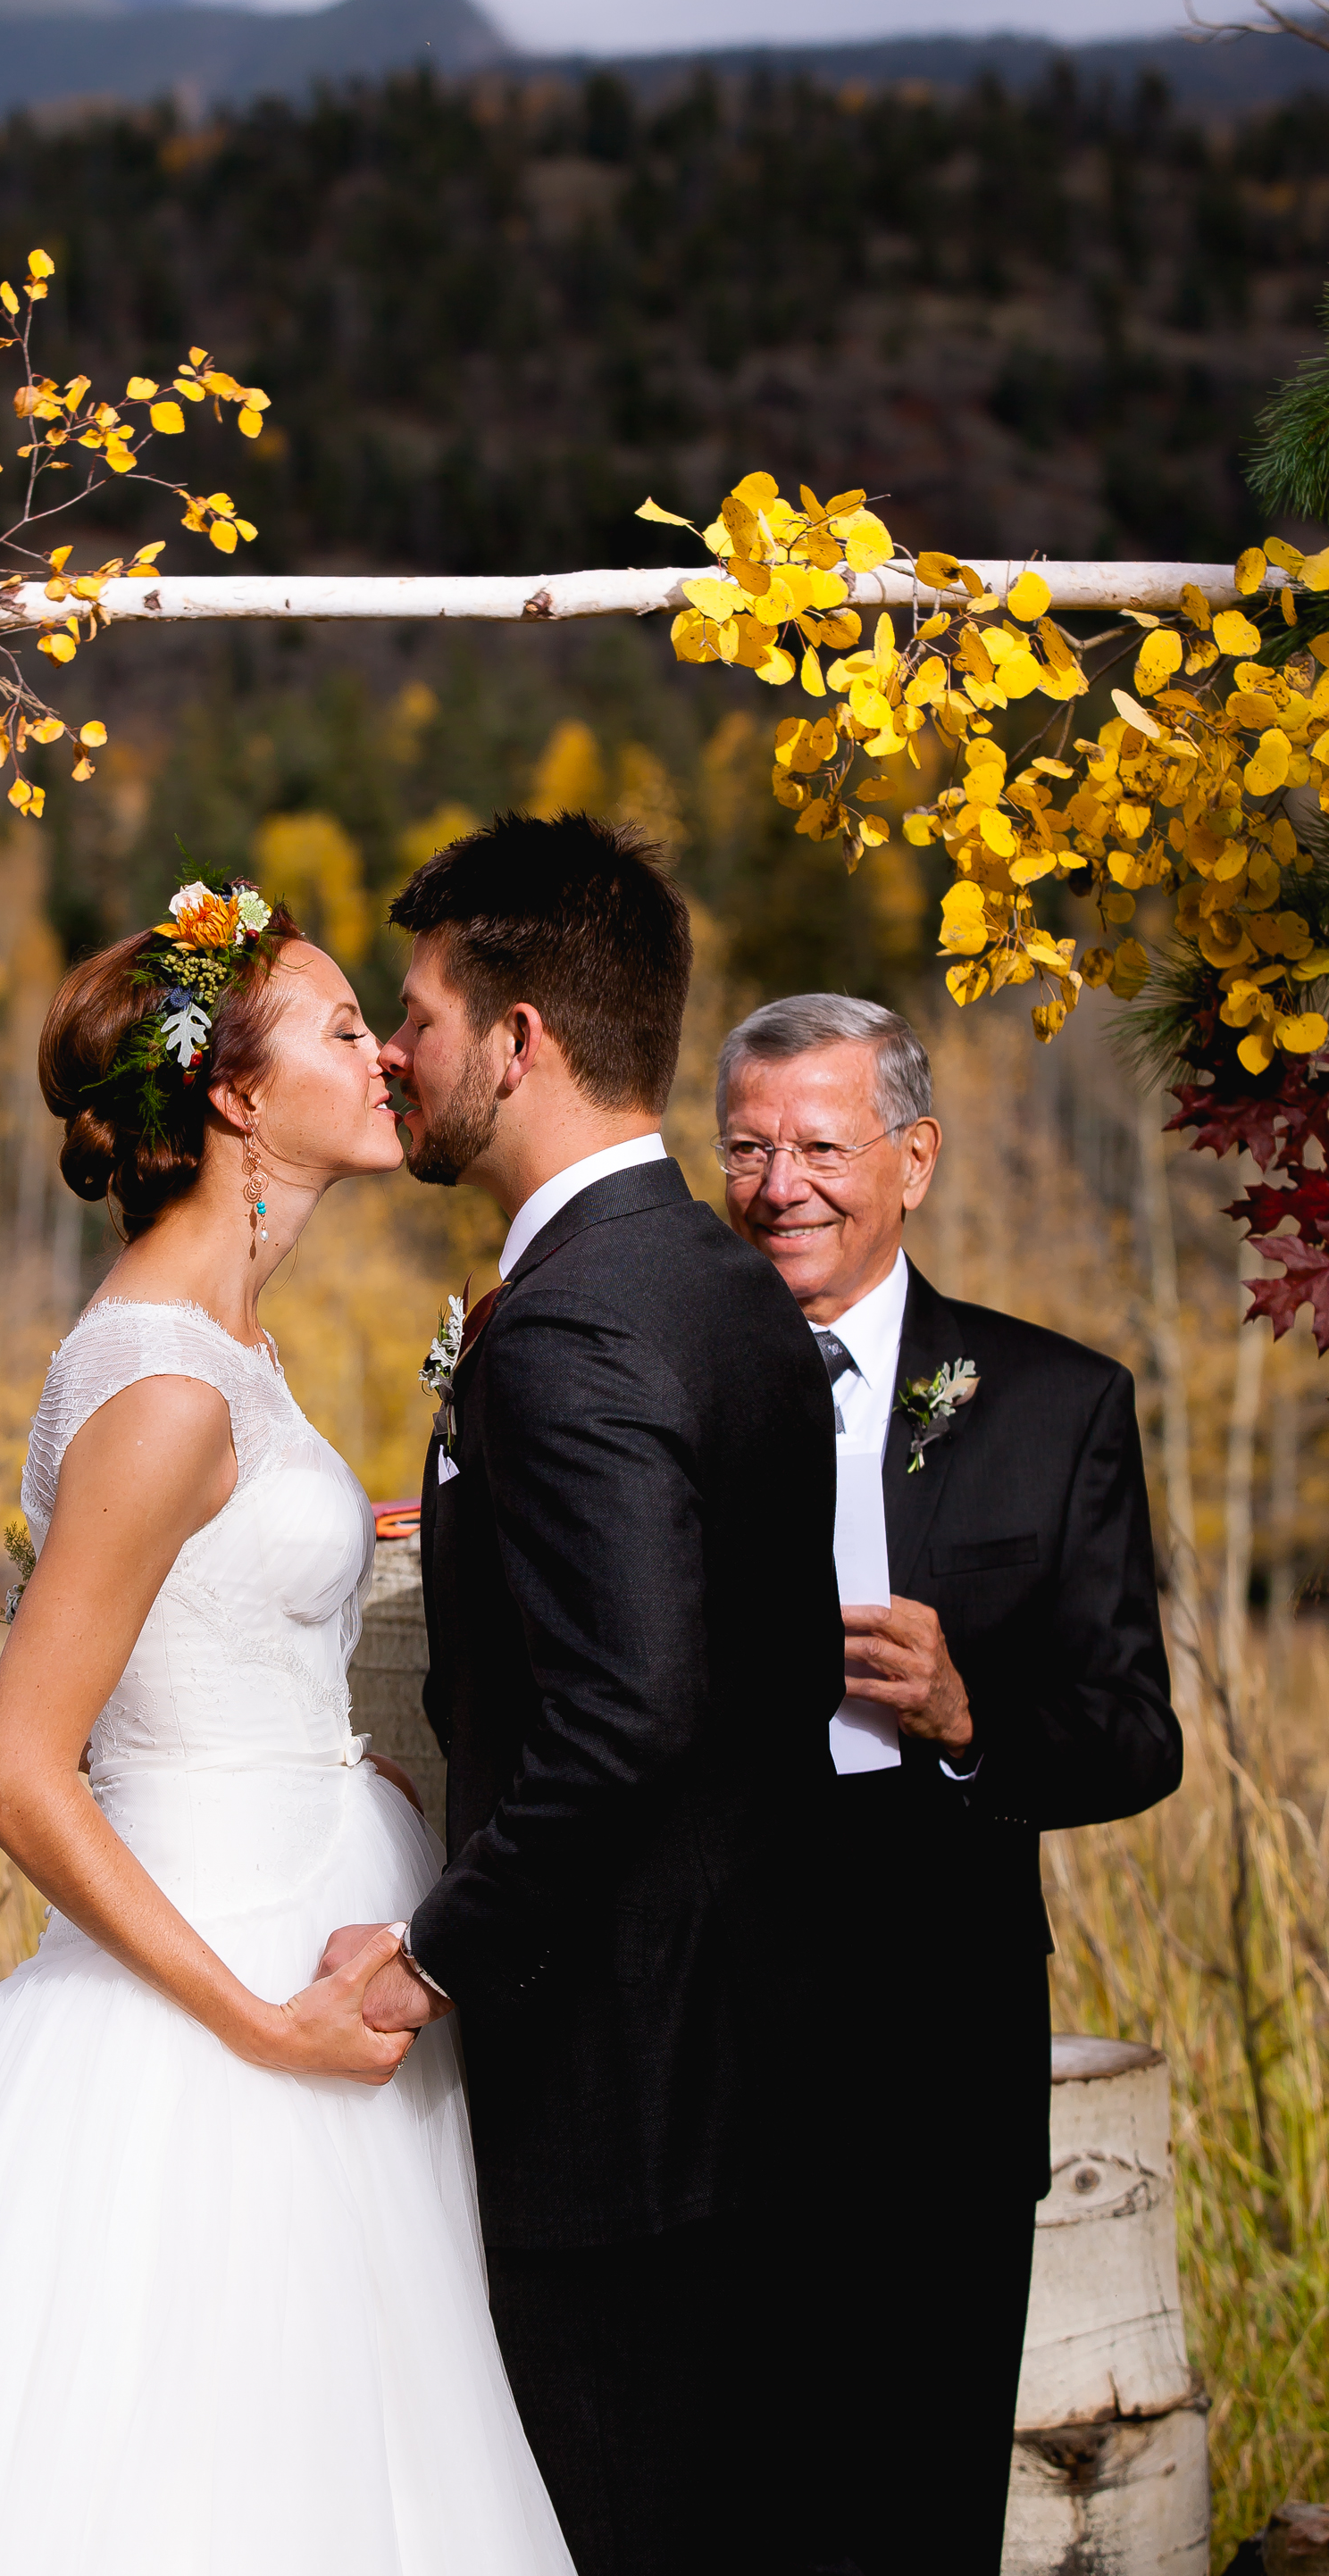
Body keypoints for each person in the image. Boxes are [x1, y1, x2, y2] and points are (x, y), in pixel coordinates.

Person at [0, 874, 573, 2576]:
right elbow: (11, 1771)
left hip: (308, 1914)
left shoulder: (218, 1344)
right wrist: (256, 2026)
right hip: (223, 1994)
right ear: (234, 1096)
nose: (385, 1058)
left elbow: (197, 1594)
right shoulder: (164, 1381)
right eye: (345, 1029)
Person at [324, 813, 846, 2576]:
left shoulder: (565, 1329)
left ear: (518, 1035)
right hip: (756, 2077)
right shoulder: (721, 1293)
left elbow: (624, 1709)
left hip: (619, 2109)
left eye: (414, 1012)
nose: (393, 1052)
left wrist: (426, 1952)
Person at [715, 991, 1183, 2576]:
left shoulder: (1056, 1406)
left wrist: (970, 1714)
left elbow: (1133, 1732)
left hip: (933, 2025)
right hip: (690, 2020)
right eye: (746, 1145)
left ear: (911, 1160)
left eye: (822, 1145)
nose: (781, 1181)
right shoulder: (635, 1386)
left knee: (917, 2497)